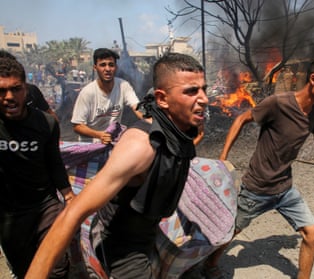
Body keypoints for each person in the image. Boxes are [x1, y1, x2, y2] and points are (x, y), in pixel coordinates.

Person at [26, 52, 208, 279]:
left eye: (203, 89)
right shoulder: (139, 148)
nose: (204, 98)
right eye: (191, 91)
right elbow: (72, 214)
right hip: (123, 249)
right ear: (162, 99)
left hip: (146, 234)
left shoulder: (180, 129)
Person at [203, 57, 314, 279]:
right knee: (229, 231)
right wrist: (223, 157)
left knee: (313, 235)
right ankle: (209, 265)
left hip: (285, 189)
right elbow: (242, 118)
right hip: (257, 189)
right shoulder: (278, 103)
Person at [0, 57, 76, 278]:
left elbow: (54, 163)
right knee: (25, 270)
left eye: (16, 89)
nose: (9, 98)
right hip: (9, 214)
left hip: (45, 206)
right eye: (2, 91)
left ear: (26, 89)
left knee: (57, 267)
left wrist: (70, 197)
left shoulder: (46, 123)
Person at [71, 48, 144, 144]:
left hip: (113, 142)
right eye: (102, 65)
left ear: (116, 67)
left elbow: (137, 108)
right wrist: (99, 135)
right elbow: (77, 126)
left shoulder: (123, 85)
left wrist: (151, 122)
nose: (107, 69)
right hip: (90, 145)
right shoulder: (87, 93)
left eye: (111, 65)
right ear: (95, 68)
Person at [0, 50, 59, 122]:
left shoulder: (32, 91)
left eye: (16, 89)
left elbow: (50, 115)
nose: (10, 96)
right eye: (2, 90)